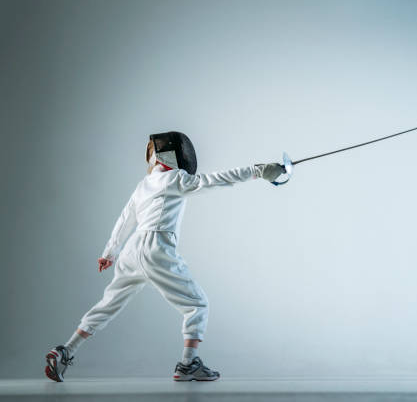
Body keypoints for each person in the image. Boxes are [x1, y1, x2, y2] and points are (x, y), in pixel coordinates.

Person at [45, 131, 285, 382]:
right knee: (197, 304)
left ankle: (64, 350)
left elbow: (126, 219)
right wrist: (258, 171)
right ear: (176, 154)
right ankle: (188, 363)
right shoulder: (175, 178)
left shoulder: (143, 185)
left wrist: (110, 253)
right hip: (156, 246)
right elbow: (215, 180)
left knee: (108, 305)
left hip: (132, 251)